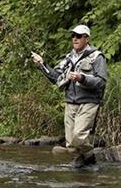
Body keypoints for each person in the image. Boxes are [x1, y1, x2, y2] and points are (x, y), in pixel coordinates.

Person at [31, 24, 107, 167]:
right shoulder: (68, 58)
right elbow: (56, 78)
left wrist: (81, 78)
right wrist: (42, 65)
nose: (75, 39)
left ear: (86, 38)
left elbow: (101, 82)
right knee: (70, 143)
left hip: (88, 102)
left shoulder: (97, 57)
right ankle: (82, 168)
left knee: (78, 136)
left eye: (78, 36)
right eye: (73, 36)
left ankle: (90, 158)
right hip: (70, 101)